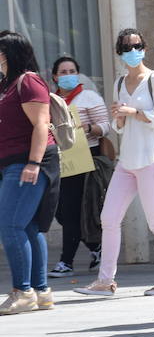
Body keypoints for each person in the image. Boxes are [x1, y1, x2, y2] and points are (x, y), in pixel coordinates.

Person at [77, 29, 154, 297]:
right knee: (109, 218)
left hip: (152, 159)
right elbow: (117, 126)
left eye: (137, 45)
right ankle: (105, 281)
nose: (132, 51)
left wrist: (133, 112)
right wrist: (121, 119)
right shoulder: (118, 83)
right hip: (127, 161)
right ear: (119, 53)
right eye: (126, 47)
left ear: (144, 48)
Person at [0, 32, 60, 315]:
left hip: (27, 162)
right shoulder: (7, 84)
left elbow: (40, 124)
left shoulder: (29, 81)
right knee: (28, 227)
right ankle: (41, 291)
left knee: (11, 226)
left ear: (8, 53)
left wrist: (33, 164)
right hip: (13, 162)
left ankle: (22, 291)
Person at [49, 55, 110, 277]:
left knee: (74, 210)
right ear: (55, 76)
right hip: (58, 159)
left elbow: (106, 127)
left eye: (72, 71)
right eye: (63, 72)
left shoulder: (89, 97)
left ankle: (66, 262)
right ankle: (96, 248)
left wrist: (88, 127)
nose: (68, 76)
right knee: (61, 213)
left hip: (85, 159)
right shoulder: (51, 100)